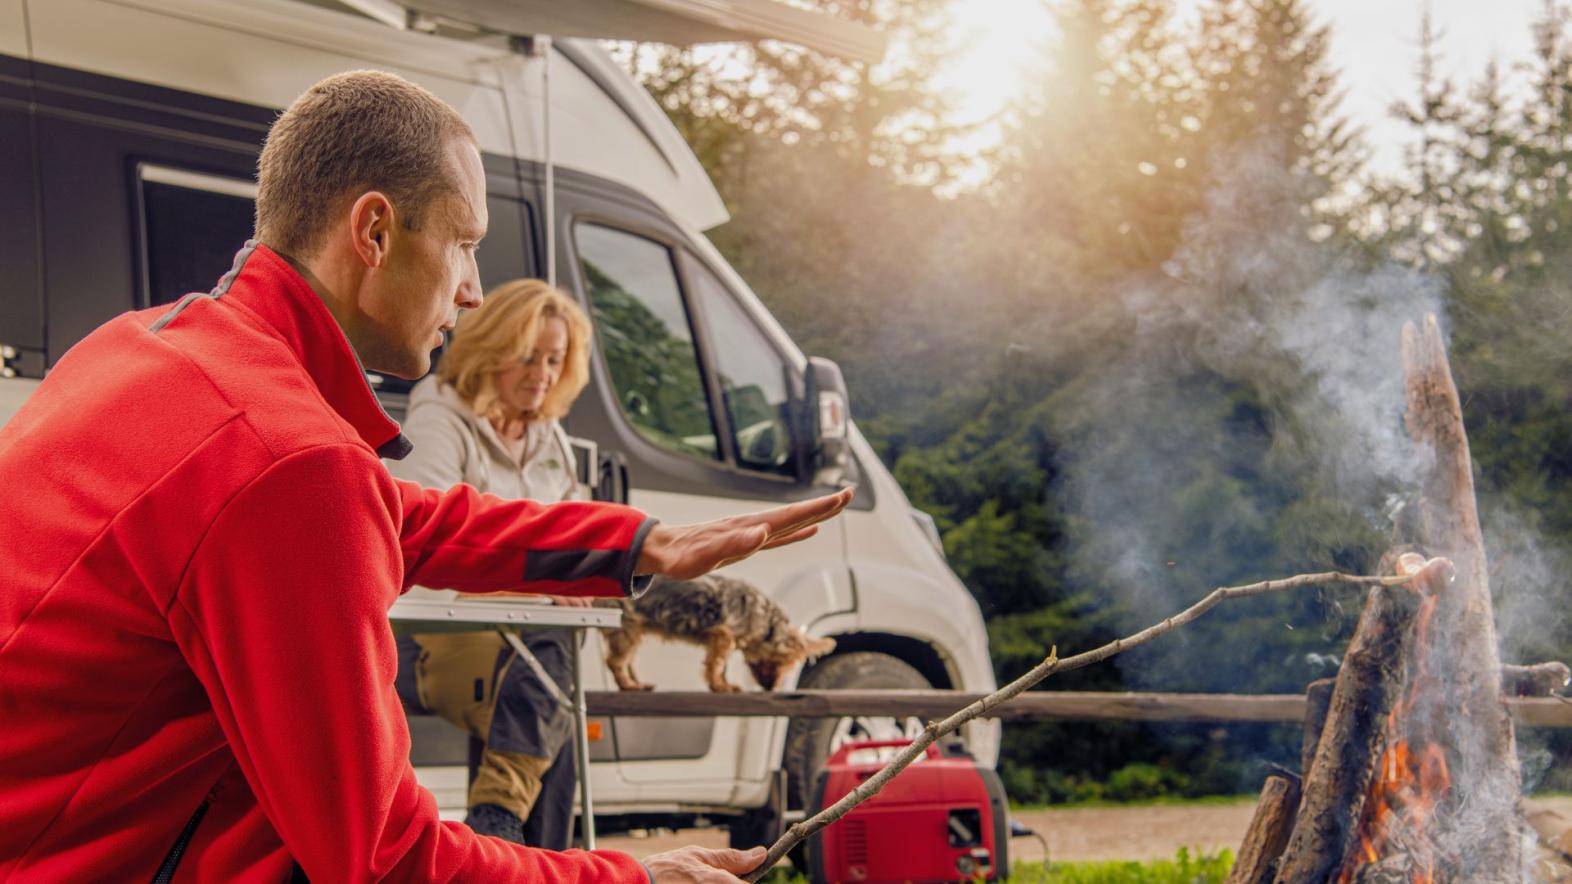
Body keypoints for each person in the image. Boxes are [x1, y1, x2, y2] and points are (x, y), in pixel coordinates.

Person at [0, 70, 850, 882]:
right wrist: (631, 876)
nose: (476, 290)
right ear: (374, 232)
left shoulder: (152, 345)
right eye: (466, 244)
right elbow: (383, 861)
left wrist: (639, 540)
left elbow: (394, 517)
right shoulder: (287, 463)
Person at [389, 278, 596, 847]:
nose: (544, 374)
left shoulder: (549, 436)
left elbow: (573, 540)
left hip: (522, 643)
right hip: (429, 637)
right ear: (492, 350)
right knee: (554, 681)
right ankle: (512, 839)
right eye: (529, 357)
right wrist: (534, 589)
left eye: (555, 359)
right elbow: (422, 556)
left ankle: (501, 835)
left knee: (549, 685)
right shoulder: (440, 416)